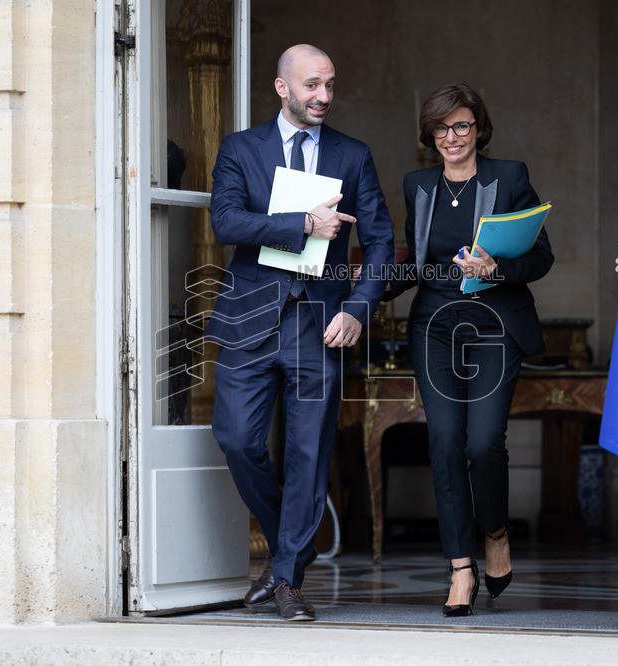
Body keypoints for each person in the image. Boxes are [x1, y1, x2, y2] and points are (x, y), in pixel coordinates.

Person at [206, 44, 393, 621]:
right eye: (313, 85)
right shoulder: (241, 149)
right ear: (282, 87)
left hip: (321, 323)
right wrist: (303, 225)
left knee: (309, 454)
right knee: (237, 438)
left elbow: (381, 240)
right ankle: (296, 538)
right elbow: (225, 221)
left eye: (331, 85)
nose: (324, 97)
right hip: (250, 318)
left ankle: (287, 577)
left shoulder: (353, 155)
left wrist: (359, 307)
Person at [384, 83, 554, 616]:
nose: (451, 137)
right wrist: (358, 287)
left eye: (461, 125)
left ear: (479, 127)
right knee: (443, 442)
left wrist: (496, 269)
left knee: (483, 443)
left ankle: (496, 532)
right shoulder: (418, 185)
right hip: (435, 325)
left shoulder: (509, 177)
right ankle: (461, 567)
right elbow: (415, 264)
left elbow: (542, 256)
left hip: (492, 323)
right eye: (440, 127)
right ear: (428, 134)